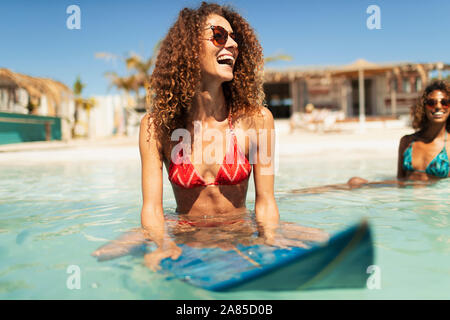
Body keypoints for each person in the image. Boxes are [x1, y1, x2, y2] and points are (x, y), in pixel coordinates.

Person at [92, 2, 327, 270]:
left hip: (239, 227)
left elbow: (266, 202)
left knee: (324, 239)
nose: (232, 45)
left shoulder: (259, 121)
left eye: (234, 38)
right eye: (219, 35)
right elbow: (152, 210)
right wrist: (162, 243)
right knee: (103, 254)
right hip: (184, 230)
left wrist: (270, 238)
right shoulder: (155, 127)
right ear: (190, 49)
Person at [290, 80, 449, 195]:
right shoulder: (407, 142)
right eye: (431, 102)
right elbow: (400, 180)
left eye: (445, 102)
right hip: (409, 200)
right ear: (424, 107)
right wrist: (370, 185)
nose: (438, 106)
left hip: (437, 202)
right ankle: (300, 193)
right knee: (354, 182)